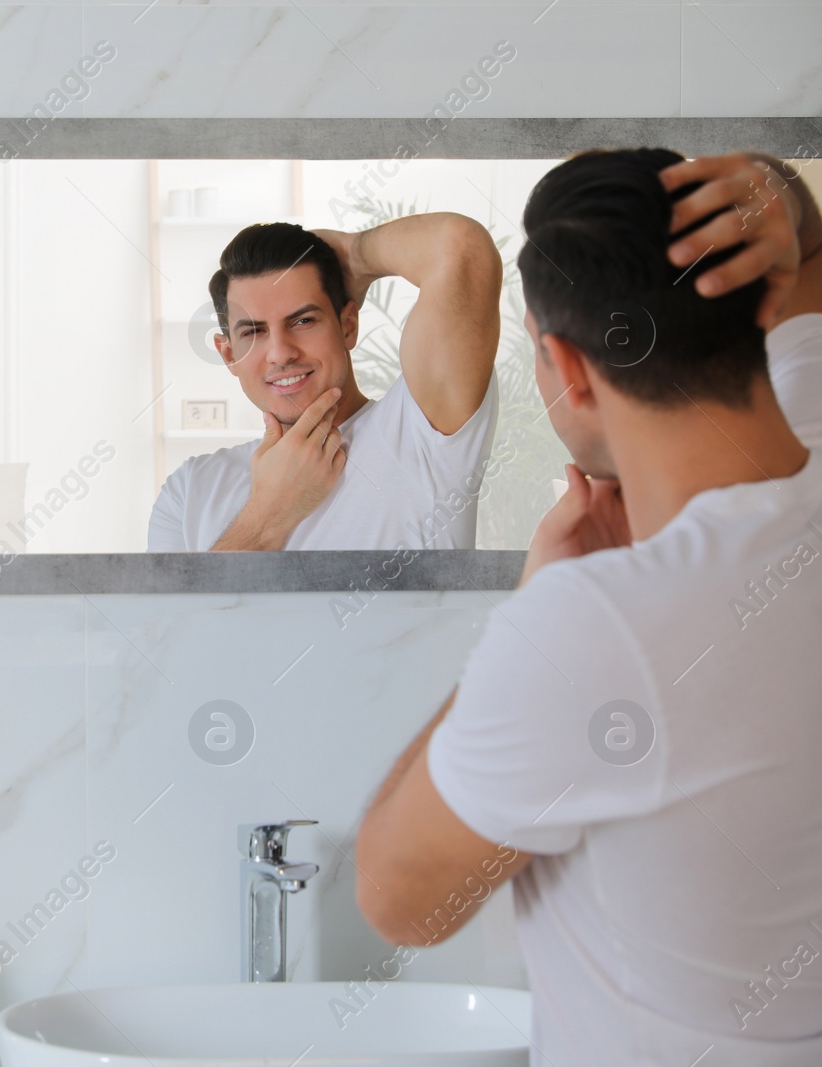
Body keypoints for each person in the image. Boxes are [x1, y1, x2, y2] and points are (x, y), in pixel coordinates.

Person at [354, 149, 822, 1066]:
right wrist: (782, 201)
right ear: (759, 298)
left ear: (565, 364)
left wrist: (542, 598)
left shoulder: (600, 630)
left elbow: (399, 899)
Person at [146, 214, 501, 551]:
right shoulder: (188, 490)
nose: (280, 353)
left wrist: (354, 255)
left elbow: (460, 247)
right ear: (228, 355)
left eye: (302, 321)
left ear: (348, 325)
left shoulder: (422, 434)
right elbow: (166, 617)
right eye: (254, 331)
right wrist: (269, 514)